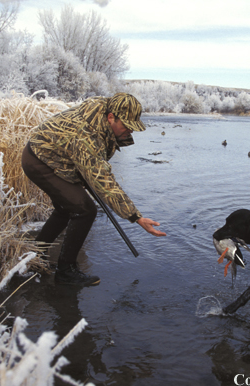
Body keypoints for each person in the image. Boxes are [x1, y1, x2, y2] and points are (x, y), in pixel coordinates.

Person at [21, 93, 166, 286]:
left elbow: (95, 153)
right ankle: (66, 271)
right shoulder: (86, 134)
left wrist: (84, 170)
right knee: (84, 209)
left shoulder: (103, 113)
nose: (130, 131)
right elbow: (103, 180)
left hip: (60, 159)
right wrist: (135, 217)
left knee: (66, 207)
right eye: (127, 126)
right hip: (40, 161)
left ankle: (35, 254)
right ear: (111, 117)